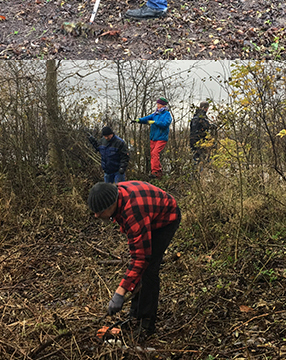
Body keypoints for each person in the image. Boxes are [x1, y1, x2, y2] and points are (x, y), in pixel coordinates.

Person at [87, 181, 181, 337]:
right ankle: (135, 316)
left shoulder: (134, 211)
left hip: (166, 219)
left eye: (99, 212)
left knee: (149, 269)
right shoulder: (117, 197)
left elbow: (141, 258)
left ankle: (146, 324)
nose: (96, 215)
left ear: (111, 206)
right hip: (149, 215)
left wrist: (120, 291)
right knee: (141, 270)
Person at [132, 98, 172, 178]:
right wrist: (138, 120)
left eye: (158, 104)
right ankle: (158, 172)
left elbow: (165, 124)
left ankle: (155, 172)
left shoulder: (167, 114)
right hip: (153, 138)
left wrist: (155, 122)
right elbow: (147, 118)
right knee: (153, 155)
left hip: (161, 137)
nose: (157, 105)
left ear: (163, 105)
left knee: (155, 153)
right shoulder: (155, 114)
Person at [189, 102, 212, 167]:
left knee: (195, 158)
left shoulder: (195, 116)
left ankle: (194, 173)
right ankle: (200, 173)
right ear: (207, 108)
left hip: (192, 140)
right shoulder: (202, 117)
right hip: (200, 140)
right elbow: (206, 126)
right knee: (201, 159)